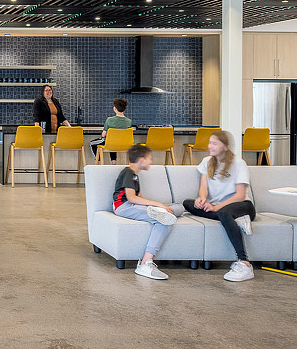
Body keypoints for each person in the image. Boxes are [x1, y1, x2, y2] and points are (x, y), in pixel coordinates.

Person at [182, 130, 257, 282]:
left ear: (225, 146)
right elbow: (204, 187)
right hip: (219, 208)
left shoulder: (238, 164)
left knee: (224, 214)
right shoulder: (207, 162)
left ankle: (244, 263)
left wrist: (216, 208)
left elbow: (240, 195)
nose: (210, 146)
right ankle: (235, 222)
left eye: (215, 143)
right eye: (210, 143)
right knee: (187, 203)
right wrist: (202, 199)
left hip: (242, 206)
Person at [113, 143, 178, 280]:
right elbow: (131, 198)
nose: (151, 161)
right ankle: (145, 263)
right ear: (142, 160)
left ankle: (163, 213)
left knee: (176, 208)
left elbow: (139, 197)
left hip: (131, 206)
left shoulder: (135, 175)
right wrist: (158, 204)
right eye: (150, 158)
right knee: (165, 220)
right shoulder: (128, 173)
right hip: (124, 207)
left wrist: (159, 206)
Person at [91, 97, 132, 165]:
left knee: (92, 143)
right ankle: (114, 163)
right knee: (113, 141)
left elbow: (103, 135)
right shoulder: (129, 121)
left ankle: (99, 164)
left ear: (115, 108)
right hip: (124, 144)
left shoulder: (110, 120)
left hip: (111, 143)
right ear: (124, 109)